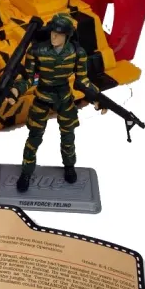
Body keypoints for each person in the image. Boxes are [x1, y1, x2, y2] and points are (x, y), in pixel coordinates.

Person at [8, 13, 106, 192]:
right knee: (34, 137)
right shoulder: (37, 51)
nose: (54, 37)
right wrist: (15, 91)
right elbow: (28, 78)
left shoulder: (77, 52)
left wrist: (96, 97)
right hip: (42, 97)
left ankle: (69, 166)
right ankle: (26, 172)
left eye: (59, 34)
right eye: (53, 33)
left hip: (64, 98)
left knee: (68, 136)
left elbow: (82, 80)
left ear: (67, 36)